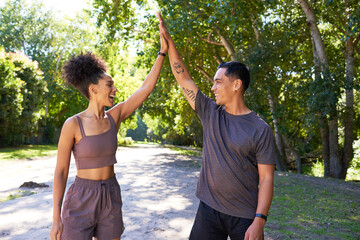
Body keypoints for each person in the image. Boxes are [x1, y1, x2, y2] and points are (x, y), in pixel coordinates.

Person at [158, 13, 276, 240]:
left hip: (244, 217)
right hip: (209, 211)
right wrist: (169, 44)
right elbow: (183, 78)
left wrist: (259, 220)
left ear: (237, 85)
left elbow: (267, 179)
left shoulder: (260, 129)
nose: (212, 87)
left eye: (218, 82)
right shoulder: (210, 112)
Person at [49, 18, 168, 240]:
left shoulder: (115, 116)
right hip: (81, 197)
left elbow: (145, 88)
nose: (115, 88)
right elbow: (61, 172)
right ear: (93, 89)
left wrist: (162, 53)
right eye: (109, 85)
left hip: (110, 194)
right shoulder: (72, 124)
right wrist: (56, 218)